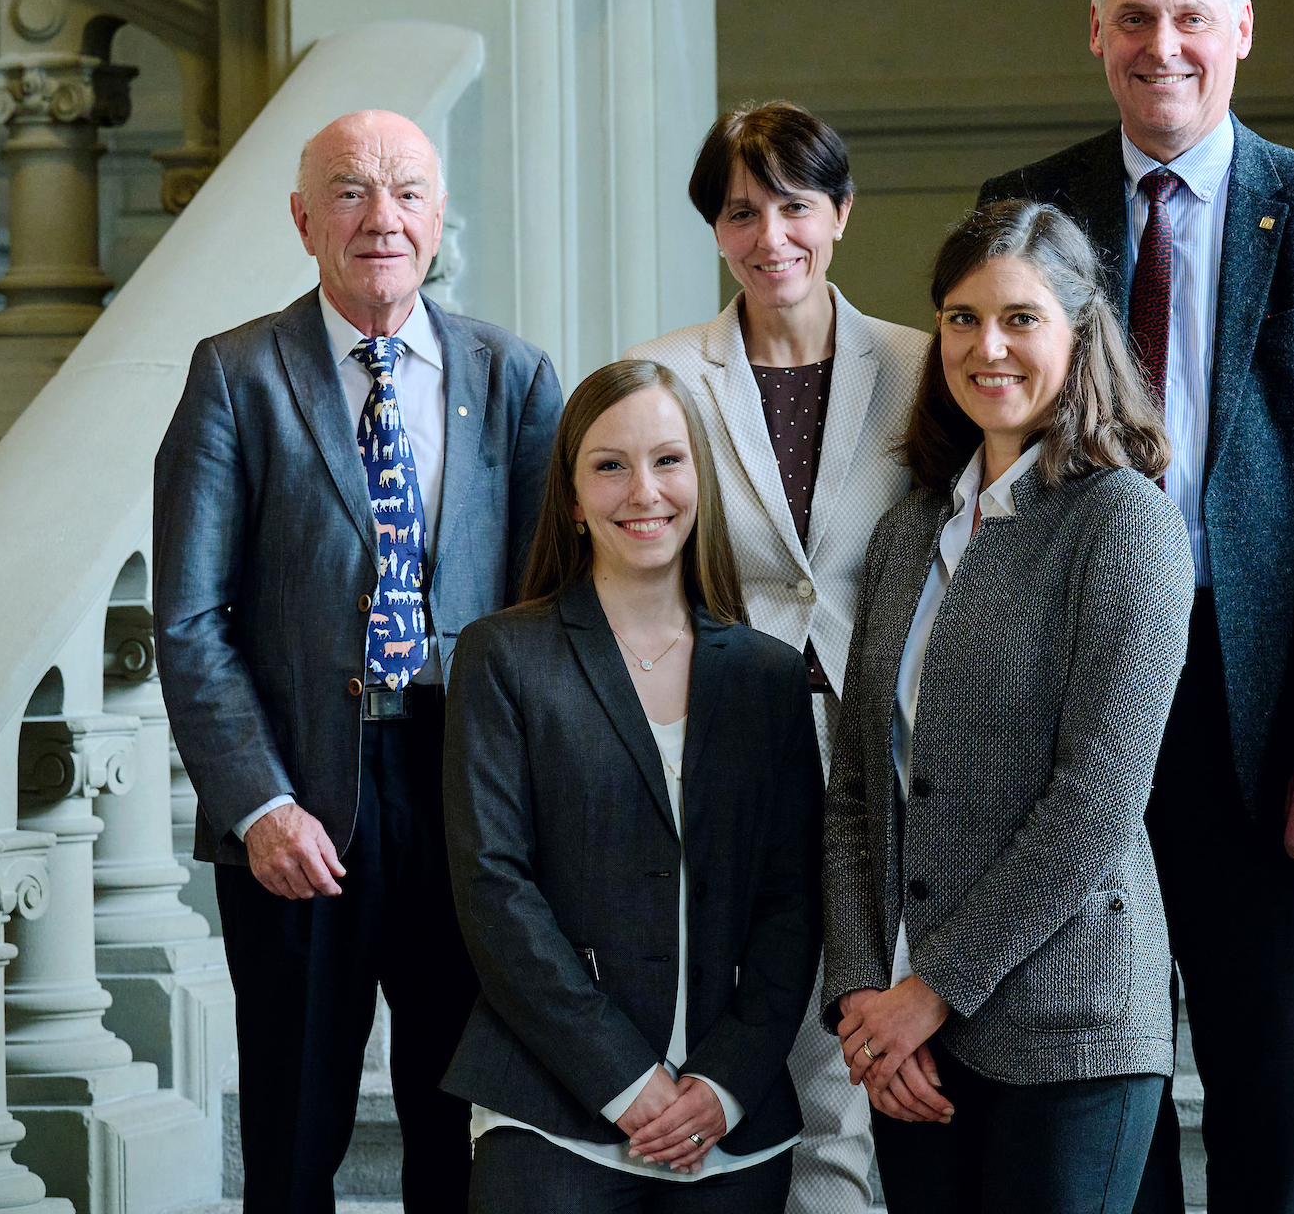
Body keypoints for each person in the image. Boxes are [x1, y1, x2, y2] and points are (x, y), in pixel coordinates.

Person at [976, 0, 1294, 1212]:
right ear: (1097, 38)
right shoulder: (1029, 213)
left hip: (1269, 718)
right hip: (1075, 705)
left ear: (1239, 34)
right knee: (1108, 1077)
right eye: (1133, 19)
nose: (1160, 44)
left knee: (1269, 1089)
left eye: (1188, 19)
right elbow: (988, 463)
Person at [152, 109, 562, 1214]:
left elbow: (550, 612)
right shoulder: (236, 374)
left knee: (461, 1125)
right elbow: (191, 618)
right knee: (293, 1133)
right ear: (302, 219)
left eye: (407, 192)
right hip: (303, 794)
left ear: (438, 223)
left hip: (466, 795)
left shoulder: (515, 378)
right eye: (348, 191)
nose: (381, 216)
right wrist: (259, 804)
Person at [823, 200, 1194, 1213]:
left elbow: (1095, 805)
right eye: (960, 317)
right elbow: (858, 784)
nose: (988, 346)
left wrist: (926, 993)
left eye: (1021, 318)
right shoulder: (911, 530)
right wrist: (864, 998)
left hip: (1069, 1031)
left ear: (1080, 333)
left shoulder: (1125, 518)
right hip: (911, 1040)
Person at [628, 103, 928, 1214]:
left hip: (884, 749)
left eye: (795, 205)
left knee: (854, 1051)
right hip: (720, 748)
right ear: (716, 229)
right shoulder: (659, 377)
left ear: (840, 211)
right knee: (744, 1028)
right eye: (741, 211)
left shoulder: (925, 364)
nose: (771, 236)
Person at [439, 359, 825, 1214]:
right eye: (609, 465)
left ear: (700, 481)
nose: (643, 491)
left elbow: (793, 903)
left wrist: (721, 1085)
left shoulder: (767, 677)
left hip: (728, 1124)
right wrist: (625, 1081)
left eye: (667, 460)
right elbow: (494, 888)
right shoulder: (502, 656)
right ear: (573, 499)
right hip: (550, 1111)